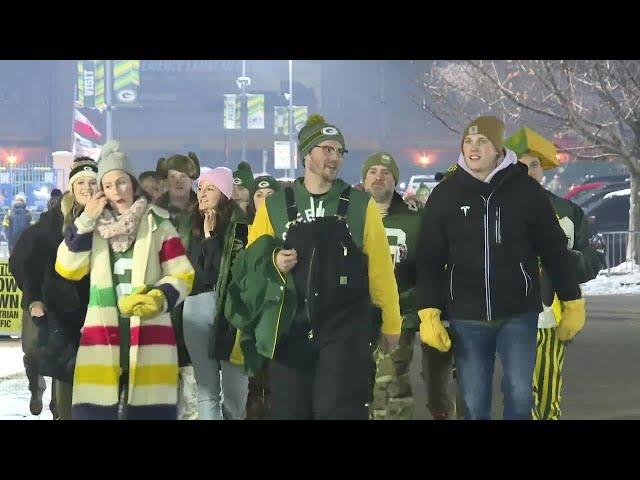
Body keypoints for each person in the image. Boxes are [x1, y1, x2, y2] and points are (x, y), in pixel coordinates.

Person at [227, 115, 402, 420]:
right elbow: (248, 266)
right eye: (327, 149)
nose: (334, 157)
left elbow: (380, 269)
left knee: (337, 410)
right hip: (290, 329)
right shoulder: (275, 205)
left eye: (339, 151)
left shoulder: (361, 205)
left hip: (345, 330)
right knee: (290, 412)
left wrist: (391, 322)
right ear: (306, 154)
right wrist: (273, 262)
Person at [416, 116, 585, 420]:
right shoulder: (445, 194)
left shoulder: (526, 191)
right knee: (473, 399)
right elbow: (428, 258)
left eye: (482, 142)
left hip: (518, 313)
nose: (473, 147)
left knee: (520, 396)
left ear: (498, 148)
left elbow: (554, 249)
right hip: (467, 315)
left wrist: (571, 300)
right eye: (468, 141)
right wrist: (428, 312)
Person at [55, 141, 194, 419]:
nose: (116, 191)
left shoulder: (158, 223)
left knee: (148, 413)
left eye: (121, 183)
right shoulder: (91, 228)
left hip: (150, 334)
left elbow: (183, 273)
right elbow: (67, 267)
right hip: (102, 337)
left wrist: (160, 297)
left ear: (132, 183)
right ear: (101, 191)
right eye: (108, 185)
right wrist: (85, 220)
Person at [505, 127, 603, 419]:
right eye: (520, 165)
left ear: (543, 169)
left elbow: (591, 261)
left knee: (547, 393)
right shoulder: (491, 211)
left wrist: (565, 260)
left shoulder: (569, 212)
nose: (528, 171)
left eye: (533, 164)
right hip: (504, 318)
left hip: (549, 318)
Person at [363, 152, 455, 420]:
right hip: (355, 315)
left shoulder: (414, 220)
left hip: (399, 312)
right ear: (364, 178)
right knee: (361, 388)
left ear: (395, 181)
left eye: (385, 173)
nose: (378, 177)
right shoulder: (352, 216)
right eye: (373, 172)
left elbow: (428, 265)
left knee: (390, 384)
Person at [9, 158, 97, 419]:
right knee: (51, 359)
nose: (86, 187)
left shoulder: (109, 214)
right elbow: (27, 260)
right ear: (71, 186)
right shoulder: (52, 221)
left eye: (92, 182)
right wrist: (34, 298)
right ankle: (50, 400)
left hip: (96, 304)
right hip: (58, 305)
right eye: (80, 182)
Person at [182, 167, 249, 419]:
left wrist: (212, 238)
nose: (202, 193)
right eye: (200, 188)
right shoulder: (190, 226)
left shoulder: (240, 226)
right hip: (197, 306)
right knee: (206, 389)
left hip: (231, 310)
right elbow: (200, 274)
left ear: (224, 193)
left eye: (210, 188)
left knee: (235, 391)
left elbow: (231, 269)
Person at [156, 152, 201, 419]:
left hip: (196, 295)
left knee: (192, 364)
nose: (179, 181)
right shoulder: (153, 212)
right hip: (163, 295)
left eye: (184, 176)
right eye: (173, 176)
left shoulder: (203, 209)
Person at [244, 175, 280, 420]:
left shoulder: (288, 230)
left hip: (277, 314)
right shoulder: (240, 229)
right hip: (250, 315)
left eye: (271, 197)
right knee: (252, 383)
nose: (265, 201)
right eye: (259, 195)